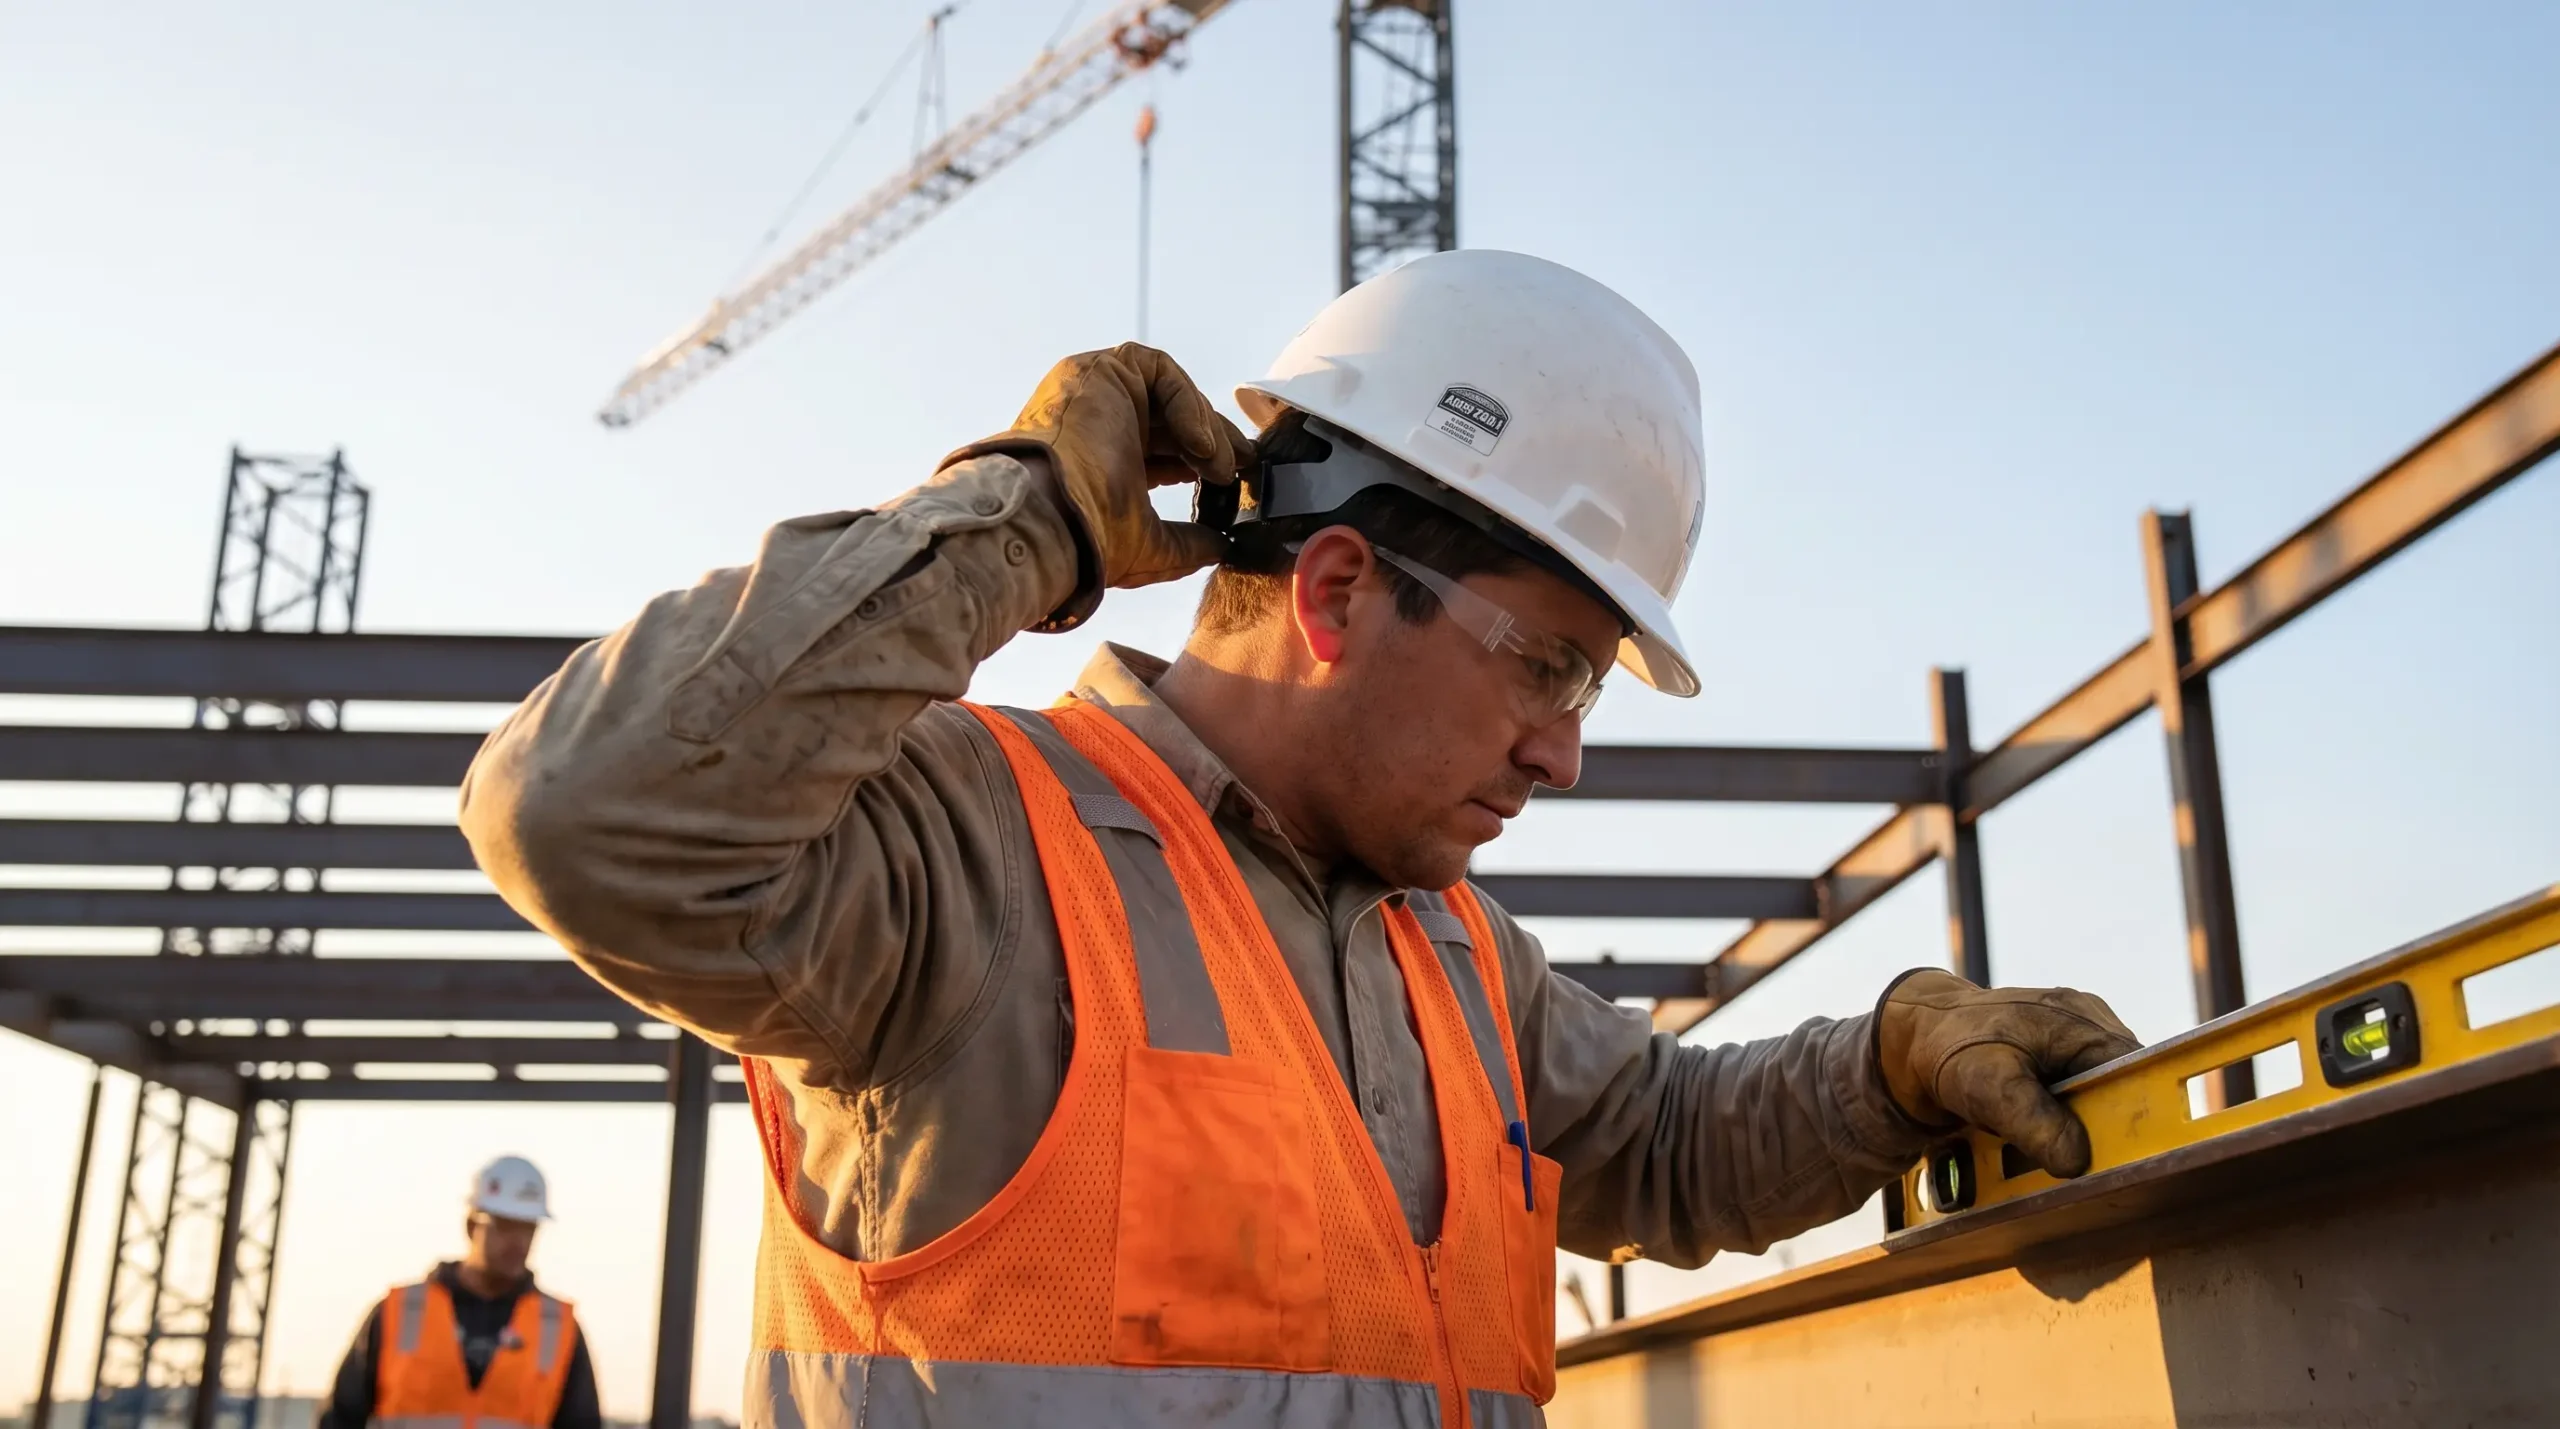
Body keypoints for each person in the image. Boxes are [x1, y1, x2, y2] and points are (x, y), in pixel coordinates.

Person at [462, 249, 2139, 1427]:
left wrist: (1888, 1067)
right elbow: (589, 812)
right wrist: (1025, 515)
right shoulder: (974, 854)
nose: (1561, 750)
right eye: (1548, 663)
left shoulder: (1455, 958)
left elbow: (1665, 1139)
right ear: (1335, 591)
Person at [316, 1156, 600, 1429]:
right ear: (471, 1225)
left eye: (528, 1229)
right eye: (504, 1226)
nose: (518, 1241)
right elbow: (340, 1417)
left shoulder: (558, 1329)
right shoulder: (399, 1313)